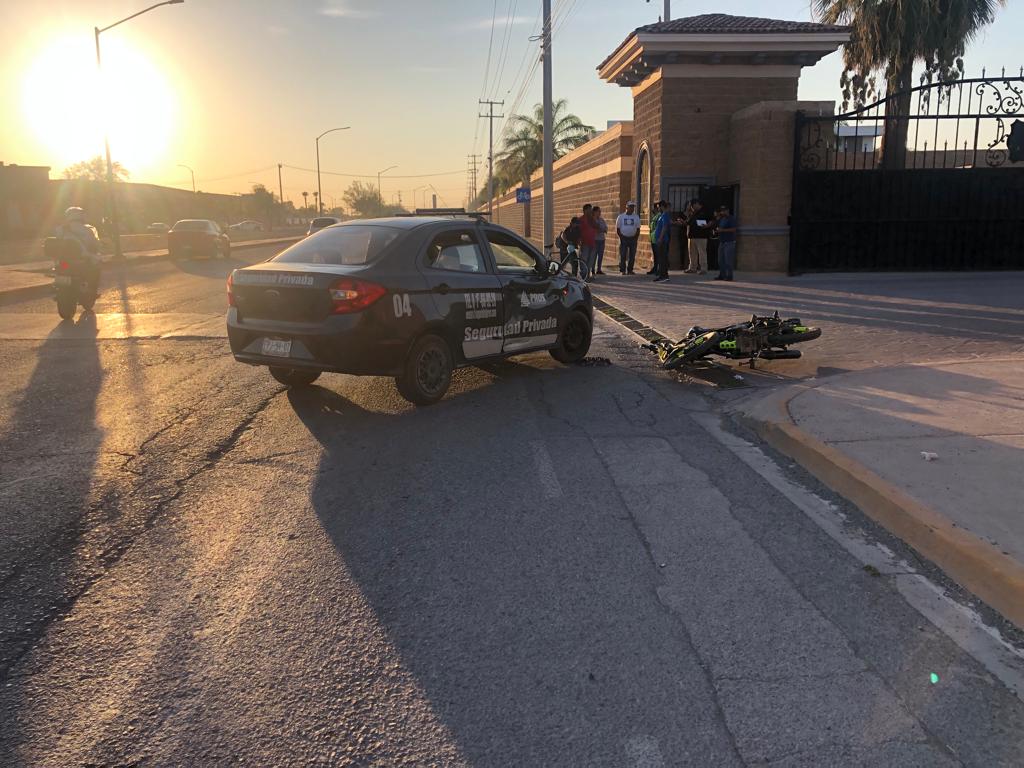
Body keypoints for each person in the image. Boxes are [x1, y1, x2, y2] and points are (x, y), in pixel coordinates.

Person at [684, 200, 711, 275]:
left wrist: (707, 225)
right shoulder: (692, 213)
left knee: (702, 253)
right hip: (691, 235)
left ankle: (703, 268)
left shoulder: (705, 211)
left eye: (692, 205)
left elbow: (711, 221)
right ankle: (692, 268)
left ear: (697, 204)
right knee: (692, 253)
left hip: (701, 236)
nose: (691, 207)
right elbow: (688, 222)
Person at [615, 201, 641, 274]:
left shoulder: (636, 217)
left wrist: (636, 237)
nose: (632, 208)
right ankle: (622, 270)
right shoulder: (621, 217)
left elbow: (638, 228)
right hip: (623, 238)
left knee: (632, 255)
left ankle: (630, 270)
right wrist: (621, 237)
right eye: (631, 206)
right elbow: (618, 228)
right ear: (627, 207)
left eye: (633, 207)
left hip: (633, 238)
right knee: (623, 254)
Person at [714, 206, 738, 281]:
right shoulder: (722, 219)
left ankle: (729, 276)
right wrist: (717, 230)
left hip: (729, 242)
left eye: (724, 211)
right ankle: (722, 275)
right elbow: (718, 227)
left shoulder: (731, 219)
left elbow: (734, 229)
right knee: (720, 260)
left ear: (727, 211)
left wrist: (722, 230)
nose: (722, 212)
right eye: (722, 211)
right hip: (722, 242)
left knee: (728, 260)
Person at [652, 200, 671, 283]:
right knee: (660, 258)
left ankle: (664, 275)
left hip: (662, 240)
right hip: (659, 240)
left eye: (659, 207)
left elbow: (664, 227)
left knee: (663, 258)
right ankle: (662, 275)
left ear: (662, 206)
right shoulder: (662, 215)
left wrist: (660, 238)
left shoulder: (665, 215)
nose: (658, 209)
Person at [578, 203, 597, 281]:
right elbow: (578, 231)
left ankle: (588, 276)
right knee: (584, 260)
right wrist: (579, 241)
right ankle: (584, 276)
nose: (590, 211)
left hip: (592, 243)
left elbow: (596, 227)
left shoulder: (592, 219)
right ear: (585, 210)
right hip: (584, 243)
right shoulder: (581, 220)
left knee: (590, 261)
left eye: (591, 209)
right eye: (589, 209)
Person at [593, 206, 607, 275]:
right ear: (594, 212)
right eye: (598, 211)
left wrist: (601, 230)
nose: (600, 213)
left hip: (602, 240)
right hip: (595, 240)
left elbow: (605, 228)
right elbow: (595, 230)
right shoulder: (592, 220)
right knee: (594, 256)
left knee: (600, 255)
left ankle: (599, 269)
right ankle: (592, 269)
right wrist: (600, 230)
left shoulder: (602, 220)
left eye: (600, 211)